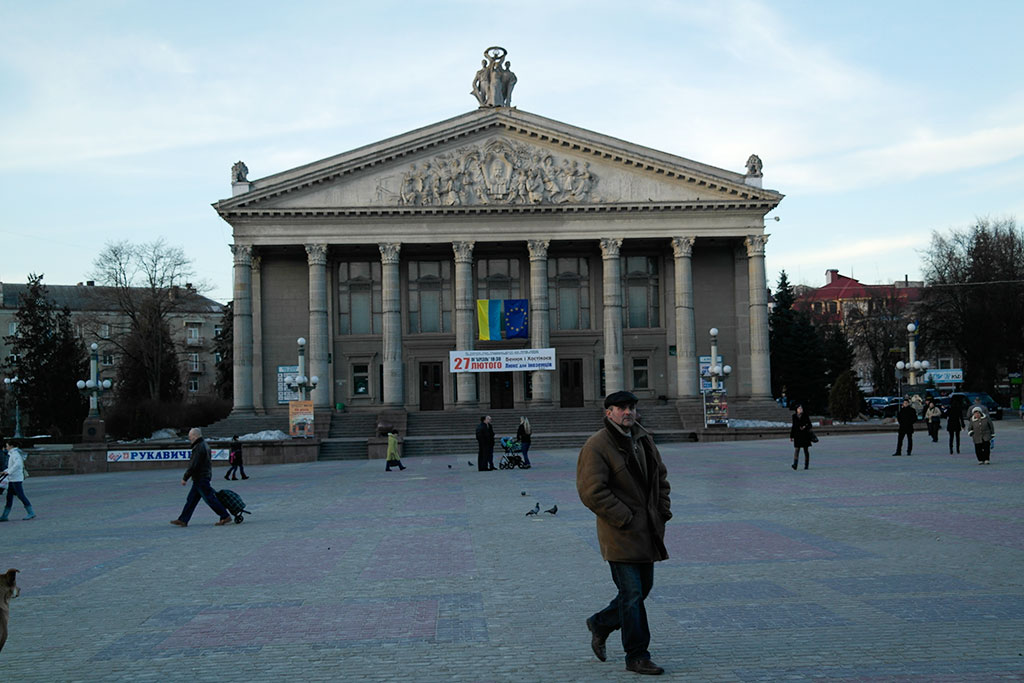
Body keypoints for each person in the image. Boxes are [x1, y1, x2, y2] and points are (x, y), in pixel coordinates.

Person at [577, 391, 671, 676]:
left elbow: (661, 477)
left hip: (647, 531)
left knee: (642, 591)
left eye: (631, 407)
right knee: (632, 594)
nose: (628, 412)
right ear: (609, 413)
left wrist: (662, 509)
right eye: (621, 408)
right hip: (620, 532)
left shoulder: (643, 439)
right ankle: (637, 655)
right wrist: (624, 517)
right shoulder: (597, 445)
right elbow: (592, 491)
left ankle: (601, 623)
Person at [171, 428, 232, 527]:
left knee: (209, 499)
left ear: (195, 436)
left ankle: (225, 516)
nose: (189, 438)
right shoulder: (204, 445)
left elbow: (193, 465)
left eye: (190, 436)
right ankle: (183, 519)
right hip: (202, 476)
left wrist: (185, 478)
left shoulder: (198, 447)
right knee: (191, 499)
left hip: (201, 477)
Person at [1, 440, 34, 521]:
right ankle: (4, 516)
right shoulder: (14, 453)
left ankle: (31, 512)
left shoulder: (15, 454)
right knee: (10, 497)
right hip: (13, 478)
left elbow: (18, 465)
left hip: (15, 479)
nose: (6, 447)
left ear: (11, 446)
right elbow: (14, 466)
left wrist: (8, 471)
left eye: (7, 446)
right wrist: (6, 471)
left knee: (20, 495)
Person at [789, 404, 813, 470]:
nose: (800, 409)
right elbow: (793, 426)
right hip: (797, 435)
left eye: (801, 408)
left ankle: (806, 464)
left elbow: (810, 425)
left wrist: (804, 426)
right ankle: (795, 464)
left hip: (805, 435)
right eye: (799, 408)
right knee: (797, 449)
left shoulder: (805, 415)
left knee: (806, 450)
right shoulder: (794, 416)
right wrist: (791, 436)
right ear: (796, 410)